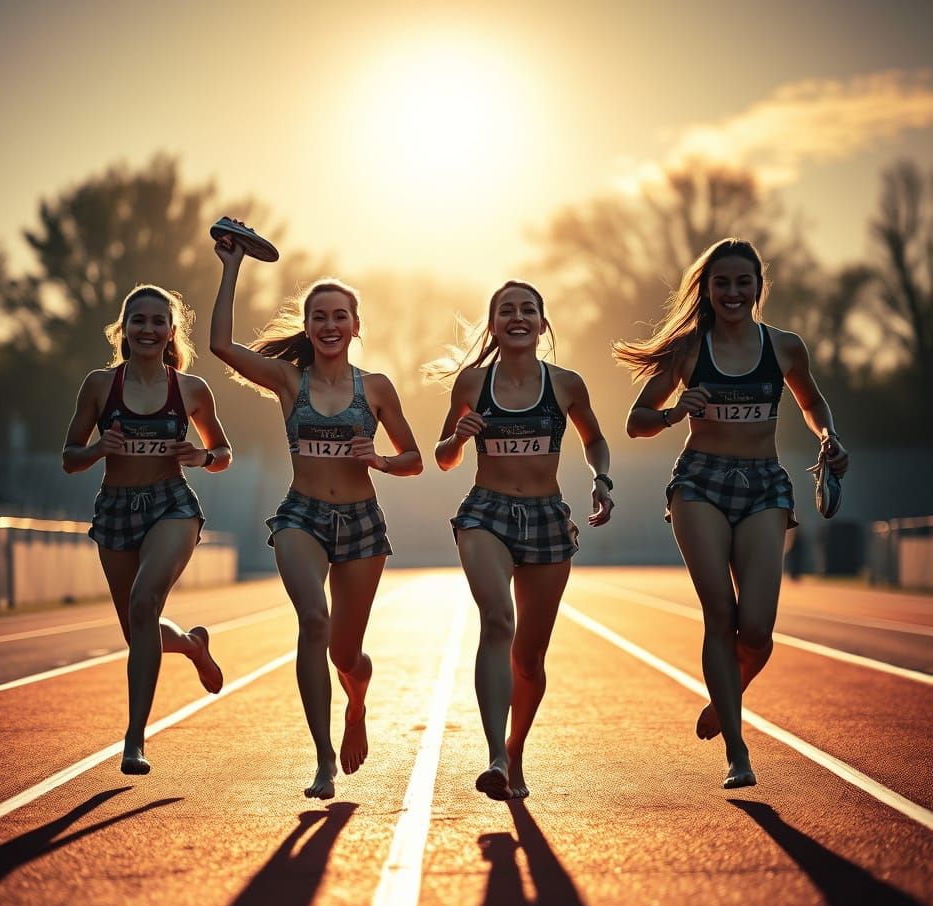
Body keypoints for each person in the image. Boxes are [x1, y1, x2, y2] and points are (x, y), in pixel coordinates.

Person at [614, 238, 849, 789]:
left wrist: (828, 435)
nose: (733, 292)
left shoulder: (786, 347)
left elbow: (813, 403)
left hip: (765, 487)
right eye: (722, 283)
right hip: (700, 484)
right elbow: (635, 419)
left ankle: (724, 700)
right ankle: (738, 753)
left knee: (759, 631)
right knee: (719, 613)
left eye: (743, 282)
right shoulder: (690, 352)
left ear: (758, 288)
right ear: (708, 289)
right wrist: (674, 413)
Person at [209, 223, 423, 800]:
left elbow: (414, 459)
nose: (330, 326)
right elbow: (222, 348)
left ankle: (356, 699)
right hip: (300, 517)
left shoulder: (375, 388)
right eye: (320, 317)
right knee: (313, 622)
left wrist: (376, 458)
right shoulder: (288, 379)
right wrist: (231, 270)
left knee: (345, 654)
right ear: (308, 327)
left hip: (361, 525)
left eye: (340, 316)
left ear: (355, 327)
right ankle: (323, 758)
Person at [431, 281, 614, 800]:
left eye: (528, 309)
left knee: (529, 658)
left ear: (542, 323)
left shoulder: (567, 384)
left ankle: (514, 753)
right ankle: (492, 755)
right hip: (486, 513)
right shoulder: (471, 383)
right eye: (506, 310)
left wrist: (600, 477)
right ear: (492, 325)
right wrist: (460, 436)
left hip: (547, 518)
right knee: (497, 621)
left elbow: (595, 439)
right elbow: (445, 458)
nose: (518, 316)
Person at [63, 284, 233, 775]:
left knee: (143, 604)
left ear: (171, 331)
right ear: (124, 329)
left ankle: (134, 740)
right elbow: (69, 457)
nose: (148, 329)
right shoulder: (99, 385)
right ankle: (192, 645)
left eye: (159, 321)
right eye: (139, 320)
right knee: (138, 630)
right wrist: (99, 449)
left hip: (171, 507)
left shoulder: (191, 390)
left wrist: (201, 457)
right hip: (115, 510)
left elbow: (223, 453)